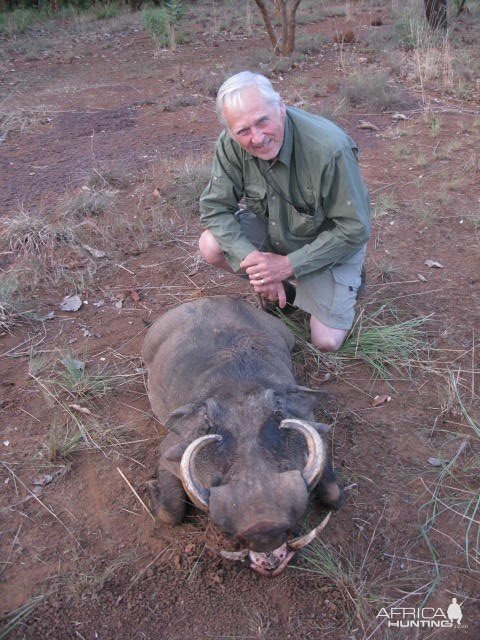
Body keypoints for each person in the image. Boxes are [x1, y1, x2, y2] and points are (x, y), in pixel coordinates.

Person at [198, 71, 371, 351]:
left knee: (325, 342)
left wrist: (285, 267)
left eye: (262, 121)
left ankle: (349, 280)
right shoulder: (230, 145)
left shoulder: (329, 148)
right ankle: (289, 293)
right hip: (278, 233)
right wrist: (256, 265)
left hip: (328, 246)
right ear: (231, 131)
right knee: (210, 245)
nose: (257, 138)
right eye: (243, 131)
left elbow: (354, 229)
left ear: (280, 106)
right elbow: (214, 208)